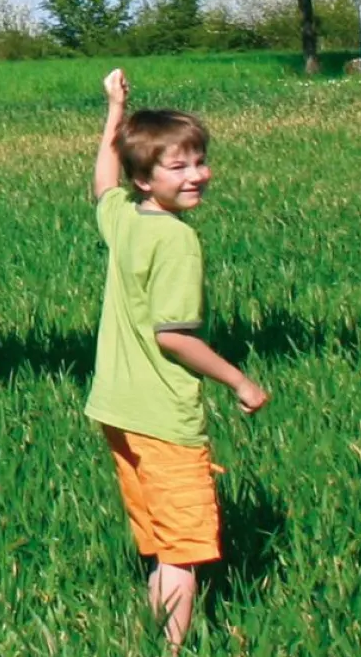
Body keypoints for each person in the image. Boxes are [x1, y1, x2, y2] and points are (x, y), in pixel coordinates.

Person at [86, 68, 269, 652]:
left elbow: (101, 186)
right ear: (146, 178)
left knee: (161, 544)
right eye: (179, 166)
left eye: (200, 160)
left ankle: (152, 636)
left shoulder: (125, 222)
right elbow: (174, 336)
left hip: (116, 409)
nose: (197, 175)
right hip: (165, 418)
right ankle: (171, 649)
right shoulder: (177, 241)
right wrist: (239, 380)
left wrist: (115, 112)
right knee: (182, 550)